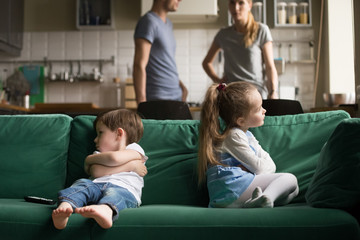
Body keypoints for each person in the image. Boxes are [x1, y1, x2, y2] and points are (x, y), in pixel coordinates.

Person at [198, 82, 298, 208]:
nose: (264, 110)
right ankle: (266, 198)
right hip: (231, 189)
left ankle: (255, 202)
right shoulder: (233, 135)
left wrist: (253, 170)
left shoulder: (248, 136)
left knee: (293, 191)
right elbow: (262, 168)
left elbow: (269, 166)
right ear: (241, 120)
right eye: (258, 109)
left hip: (233, 192)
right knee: (290, 179)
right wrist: (255, 170)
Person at [52, 109, 148, 229]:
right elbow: (96, 172)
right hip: (95, 185)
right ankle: (65, 207)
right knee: (82, 185)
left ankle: (105, 210)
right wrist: (131, 166)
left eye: (100, 133)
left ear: (119, 133)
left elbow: (114, 158)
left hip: (124, 189)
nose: (95, 140)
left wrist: (89, 160)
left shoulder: (135, 149)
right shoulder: (99, 153)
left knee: (115, 195)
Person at [202, 0, 279, 99]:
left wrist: (273, 92)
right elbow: (206, 63)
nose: (236, 8)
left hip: (256, 94)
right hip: (231, 96)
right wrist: (219, 81)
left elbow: (269, 66)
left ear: (249, 5)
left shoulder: (261, 30)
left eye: (241, 3)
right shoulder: (223, 34)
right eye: (232, 3)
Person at [133, 0, 188, 105]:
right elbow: (139, 65)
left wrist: (182, 87)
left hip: (176, 96)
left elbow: (166, 60)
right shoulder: (148, 22)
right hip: (158, 98)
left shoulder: (168, 24)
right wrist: (142, 104)